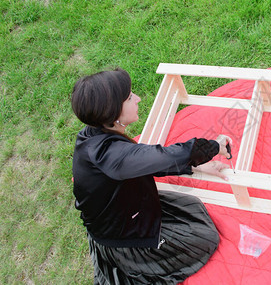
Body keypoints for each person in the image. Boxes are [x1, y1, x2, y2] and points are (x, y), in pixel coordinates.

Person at [71, 68, 232, 284]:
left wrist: (197, 168)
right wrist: (214, 147)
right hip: (124, 236)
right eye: (129, 98)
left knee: (190, 207)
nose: (137, 98)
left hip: (132, 206)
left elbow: (146, 162)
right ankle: (135, 265)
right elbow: (163, 156)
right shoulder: (110, 156)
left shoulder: (96, 134)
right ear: (112, 113)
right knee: (204, 238)